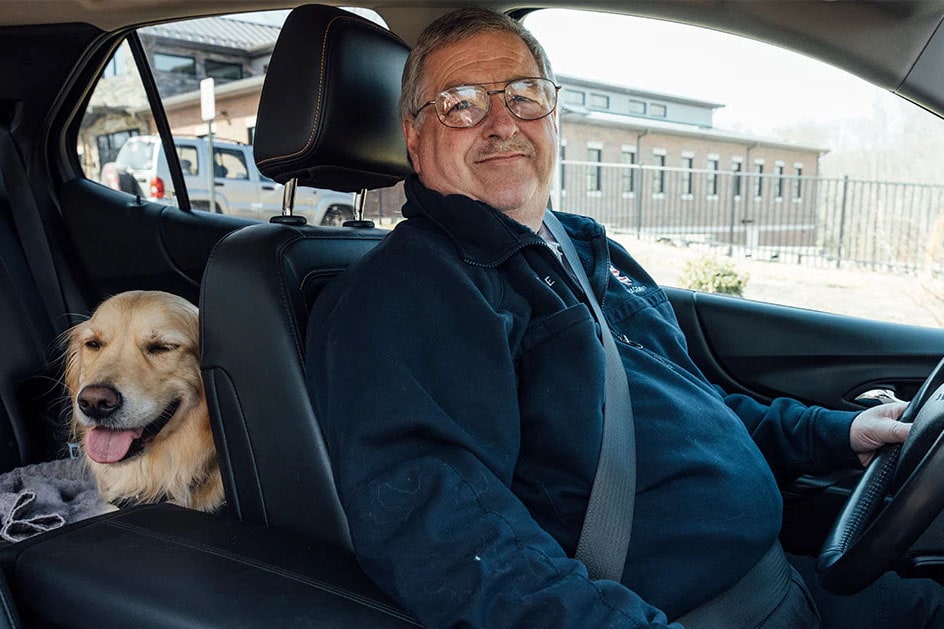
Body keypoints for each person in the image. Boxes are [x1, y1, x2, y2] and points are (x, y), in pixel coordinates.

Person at [306, 7, 941, 627]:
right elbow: (445, 533)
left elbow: (691, 404)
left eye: (525, 95)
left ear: (554, 116)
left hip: (786, 579)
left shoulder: (584, 249)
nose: (502, 122)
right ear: (415, 135)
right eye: (463, 102)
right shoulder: (408, 291)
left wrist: (834, 434)